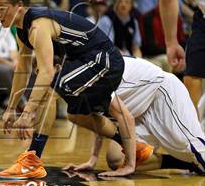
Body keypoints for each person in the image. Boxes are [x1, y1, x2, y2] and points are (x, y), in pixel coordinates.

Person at [0, 0, 135, 179]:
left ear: (19, 6)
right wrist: (11, 108)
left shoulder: (38, 26)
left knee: (49, 88)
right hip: (83, 61)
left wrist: (28, 111)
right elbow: (21, 70)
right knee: (77, 116)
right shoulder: (22, 31)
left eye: (1, 8)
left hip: (104, 60)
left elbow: (47, 72)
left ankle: (32, 160)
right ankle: (134, 146)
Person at [65, 56, 205, 175]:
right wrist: (92, 160)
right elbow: (98, 118)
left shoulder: (93, 72)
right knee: (116, 159)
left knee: (195, 149)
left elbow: (120, 116)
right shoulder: (78, 79)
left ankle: (196, 160)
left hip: (160, 94)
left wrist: (131, 165)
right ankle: (187, 163)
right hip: (136, 114)